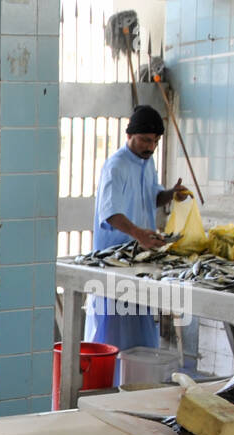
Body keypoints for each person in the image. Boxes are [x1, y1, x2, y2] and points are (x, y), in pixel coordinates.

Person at [86, 104, 192, 350]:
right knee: (113, 338)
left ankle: (137, 384)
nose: (150, 147)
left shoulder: (147, 163)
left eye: (155, 141)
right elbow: (110, 213)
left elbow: (151, 197)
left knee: (141, 338)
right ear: (129, 136)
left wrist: (170, 195)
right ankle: (111, 385)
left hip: (139, 262)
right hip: (115, 262)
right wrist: (139, 234)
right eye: (145, 140)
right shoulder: (116, 166)